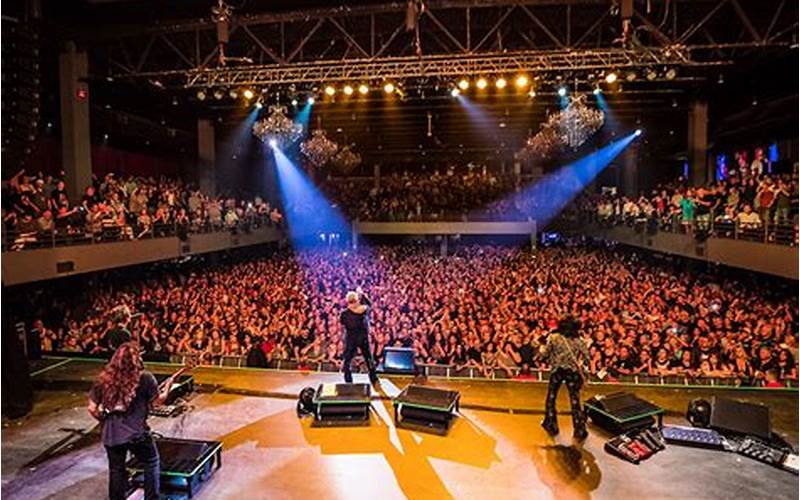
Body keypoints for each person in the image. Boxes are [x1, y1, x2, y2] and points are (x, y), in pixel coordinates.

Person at [87, 343, 184, 500]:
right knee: (151, 462)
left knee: (116, 469)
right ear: (136, 360)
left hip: (112, 435)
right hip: (137, 434)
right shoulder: (145, 378)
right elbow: (157, 402)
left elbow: (92, 408)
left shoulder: (103, 380)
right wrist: (167, 389)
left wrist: (103, 420)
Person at [541, 317, 589, 440]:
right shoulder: (579, 340)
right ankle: (579, 429)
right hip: (572, 372)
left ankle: (551, 425)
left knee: (551, 397)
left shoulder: (553, 338)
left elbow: (545, 354)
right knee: (575, 400)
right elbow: (587, 357)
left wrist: (542, 349)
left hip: (557, 370)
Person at [340, 287, 378, 385]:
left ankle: (348, 380)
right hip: (362, 339)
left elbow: (343, 324)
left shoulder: (344, 314)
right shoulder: (364, 310)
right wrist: (363, 294)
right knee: (368, 359)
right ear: (356, 301)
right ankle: (373, 378)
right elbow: (369, 304)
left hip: (351, 340)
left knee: (347, 360)